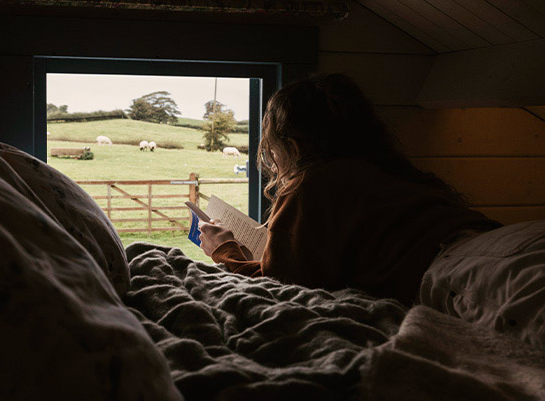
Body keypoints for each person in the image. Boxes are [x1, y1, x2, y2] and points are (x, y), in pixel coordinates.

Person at [199, 74, 545, 348]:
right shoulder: (382, 169)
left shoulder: (313, 181)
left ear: (289, 144)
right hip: (504, 240)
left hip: (464, 269)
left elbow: (282, 292)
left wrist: (224, 251)